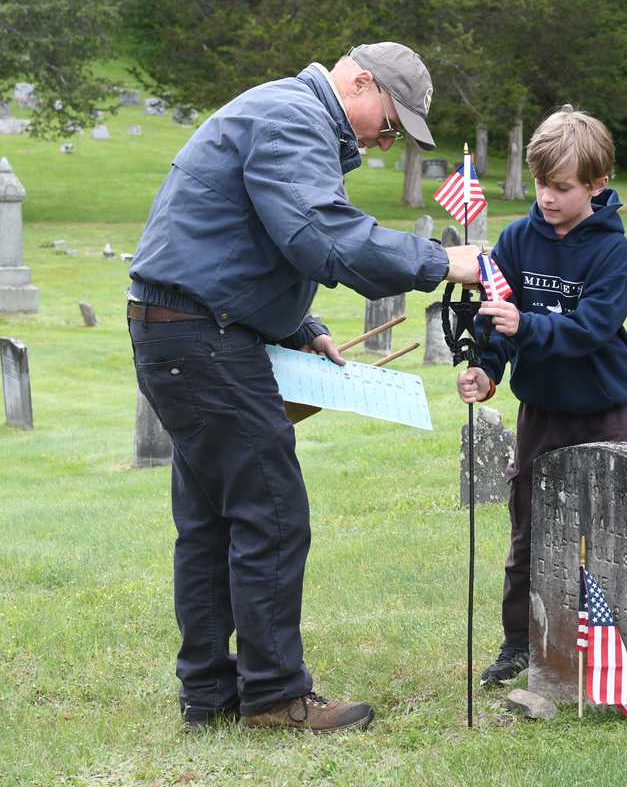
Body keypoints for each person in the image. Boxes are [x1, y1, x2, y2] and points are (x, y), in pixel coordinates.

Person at [127, 42, 483, 733]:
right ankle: (274, 697)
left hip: (181, 329)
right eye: (391, 119)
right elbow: (321, 234)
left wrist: (297, 325)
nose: (385, 140)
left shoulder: (282, 112)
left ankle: (209, 694)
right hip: (205, 338)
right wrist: (440, 260)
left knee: (210, 522)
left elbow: (248, 239)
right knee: (271, 512)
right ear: (360, 82)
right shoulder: (294, 119)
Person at [455, 105, 627, 685]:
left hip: (604, 411)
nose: (548, 198)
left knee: (605, 535)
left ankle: (611, 647)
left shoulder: (610, 250)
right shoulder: (516, 241)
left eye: (562, 188)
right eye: (541, 184)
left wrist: (526, 327)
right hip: (541, 412)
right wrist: (485, 372)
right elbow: (494, 322)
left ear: (596, 185)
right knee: (529, 532)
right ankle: (521, 642)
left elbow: (592, 327)